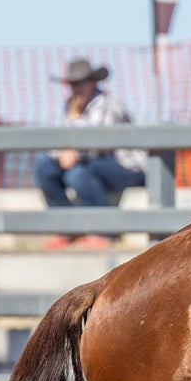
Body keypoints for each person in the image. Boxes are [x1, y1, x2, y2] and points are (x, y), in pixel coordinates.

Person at [34, 57, 145, 250]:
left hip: (126, 167)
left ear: (93, 82)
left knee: (78, 173)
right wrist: (65, 150)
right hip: (92, 164)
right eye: (73, 84)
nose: (77, 88)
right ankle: (67, 228)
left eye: (81, 82)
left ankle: (103, 230)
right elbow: (59, 143)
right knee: (44, 166)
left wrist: (71, 131)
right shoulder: (71, 107)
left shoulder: (106, 104)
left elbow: (96, 144)